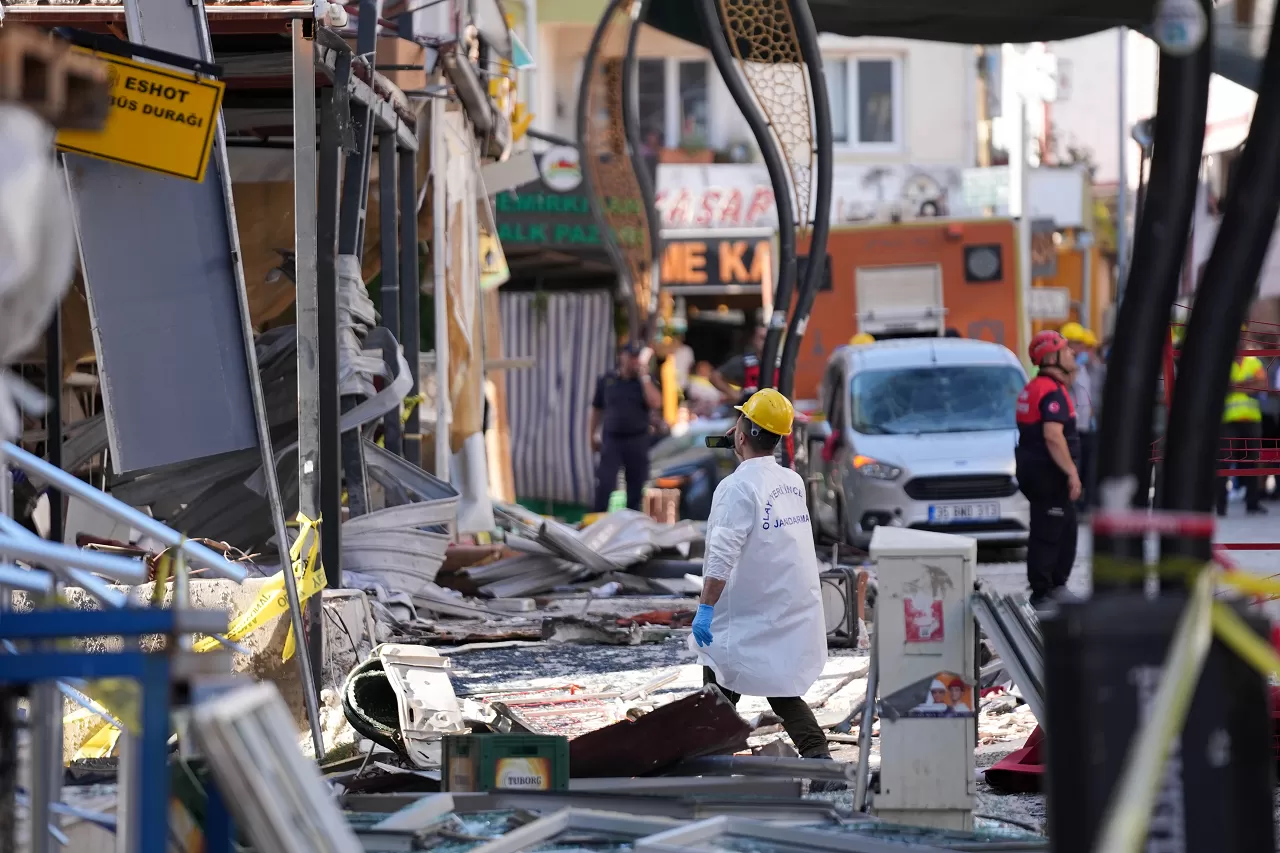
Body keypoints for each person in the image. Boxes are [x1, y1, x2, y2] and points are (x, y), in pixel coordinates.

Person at [690, 388, 837, 786]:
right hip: (785, 605)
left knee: (719, 684)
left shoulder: (737, 488)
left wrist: (706, 607)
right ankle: (819, 759)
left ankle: (708, 763)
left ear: (742, 433)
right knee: (780, 683)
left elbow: (721, 554)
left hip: (745, 610)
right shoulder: (790, 482)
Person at [1015, 330, 1083, 609]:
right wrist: (1071, 472)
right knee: (1050, 530)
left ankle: (1054, 586)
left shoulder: (1034, 387)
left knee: (1062, 527)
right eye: (1066, 350)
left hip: (1036, 471)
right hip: (1048, 474)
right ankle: (1045, 591)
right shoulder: (1051, 391)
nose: (1072, 355)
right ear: (1051, 357)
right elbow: (1053, 436)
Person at [589, 343, 662, 512]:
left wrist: (644, 376)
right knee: (605, 482)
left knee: (636, 484)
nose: (634, 361)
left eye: (637, 357)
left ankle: (631, 522)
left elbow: (656, 402)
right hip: (612, 438)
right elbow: (596, 409)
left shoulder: (644, 381)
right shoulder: (608, 380)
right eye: (631, 356)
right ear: (622, 356)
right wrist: (591, 435)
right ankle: (597, 518)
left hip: (637, 438)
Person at [1220, 332, 1270, 516]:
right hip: (1228, 421)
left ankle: (1252, 504)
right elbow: (1222, 386)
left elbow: (1262, 385)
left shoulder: (1254, 362)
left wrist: (1236, 385)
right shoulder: (1223, 362)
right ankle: (1220, 505)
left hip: (1251, 420)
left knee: (1252, 463)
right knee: (1224, 464)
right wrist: (1249, 384)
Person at [1060, 323, 1098, 512]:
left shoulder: (1082, 366)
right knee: (1073, 467)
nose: (1082, 348)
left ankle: (1082, 505)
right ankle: (1071, 505)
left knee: (1086, 468)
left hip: (1085, 426)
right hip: (1071, 427)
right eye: (1078, 344)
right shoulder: (1066, 366)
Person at [710, 324, 768, 403]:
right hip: (750, 410)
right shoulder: (744, 362)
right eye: (762, 338)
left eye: (768, 338)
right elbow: (715, 376)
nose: (765, 342)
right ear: (754, 339)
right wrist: (733, 394)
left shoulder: (780, 363)